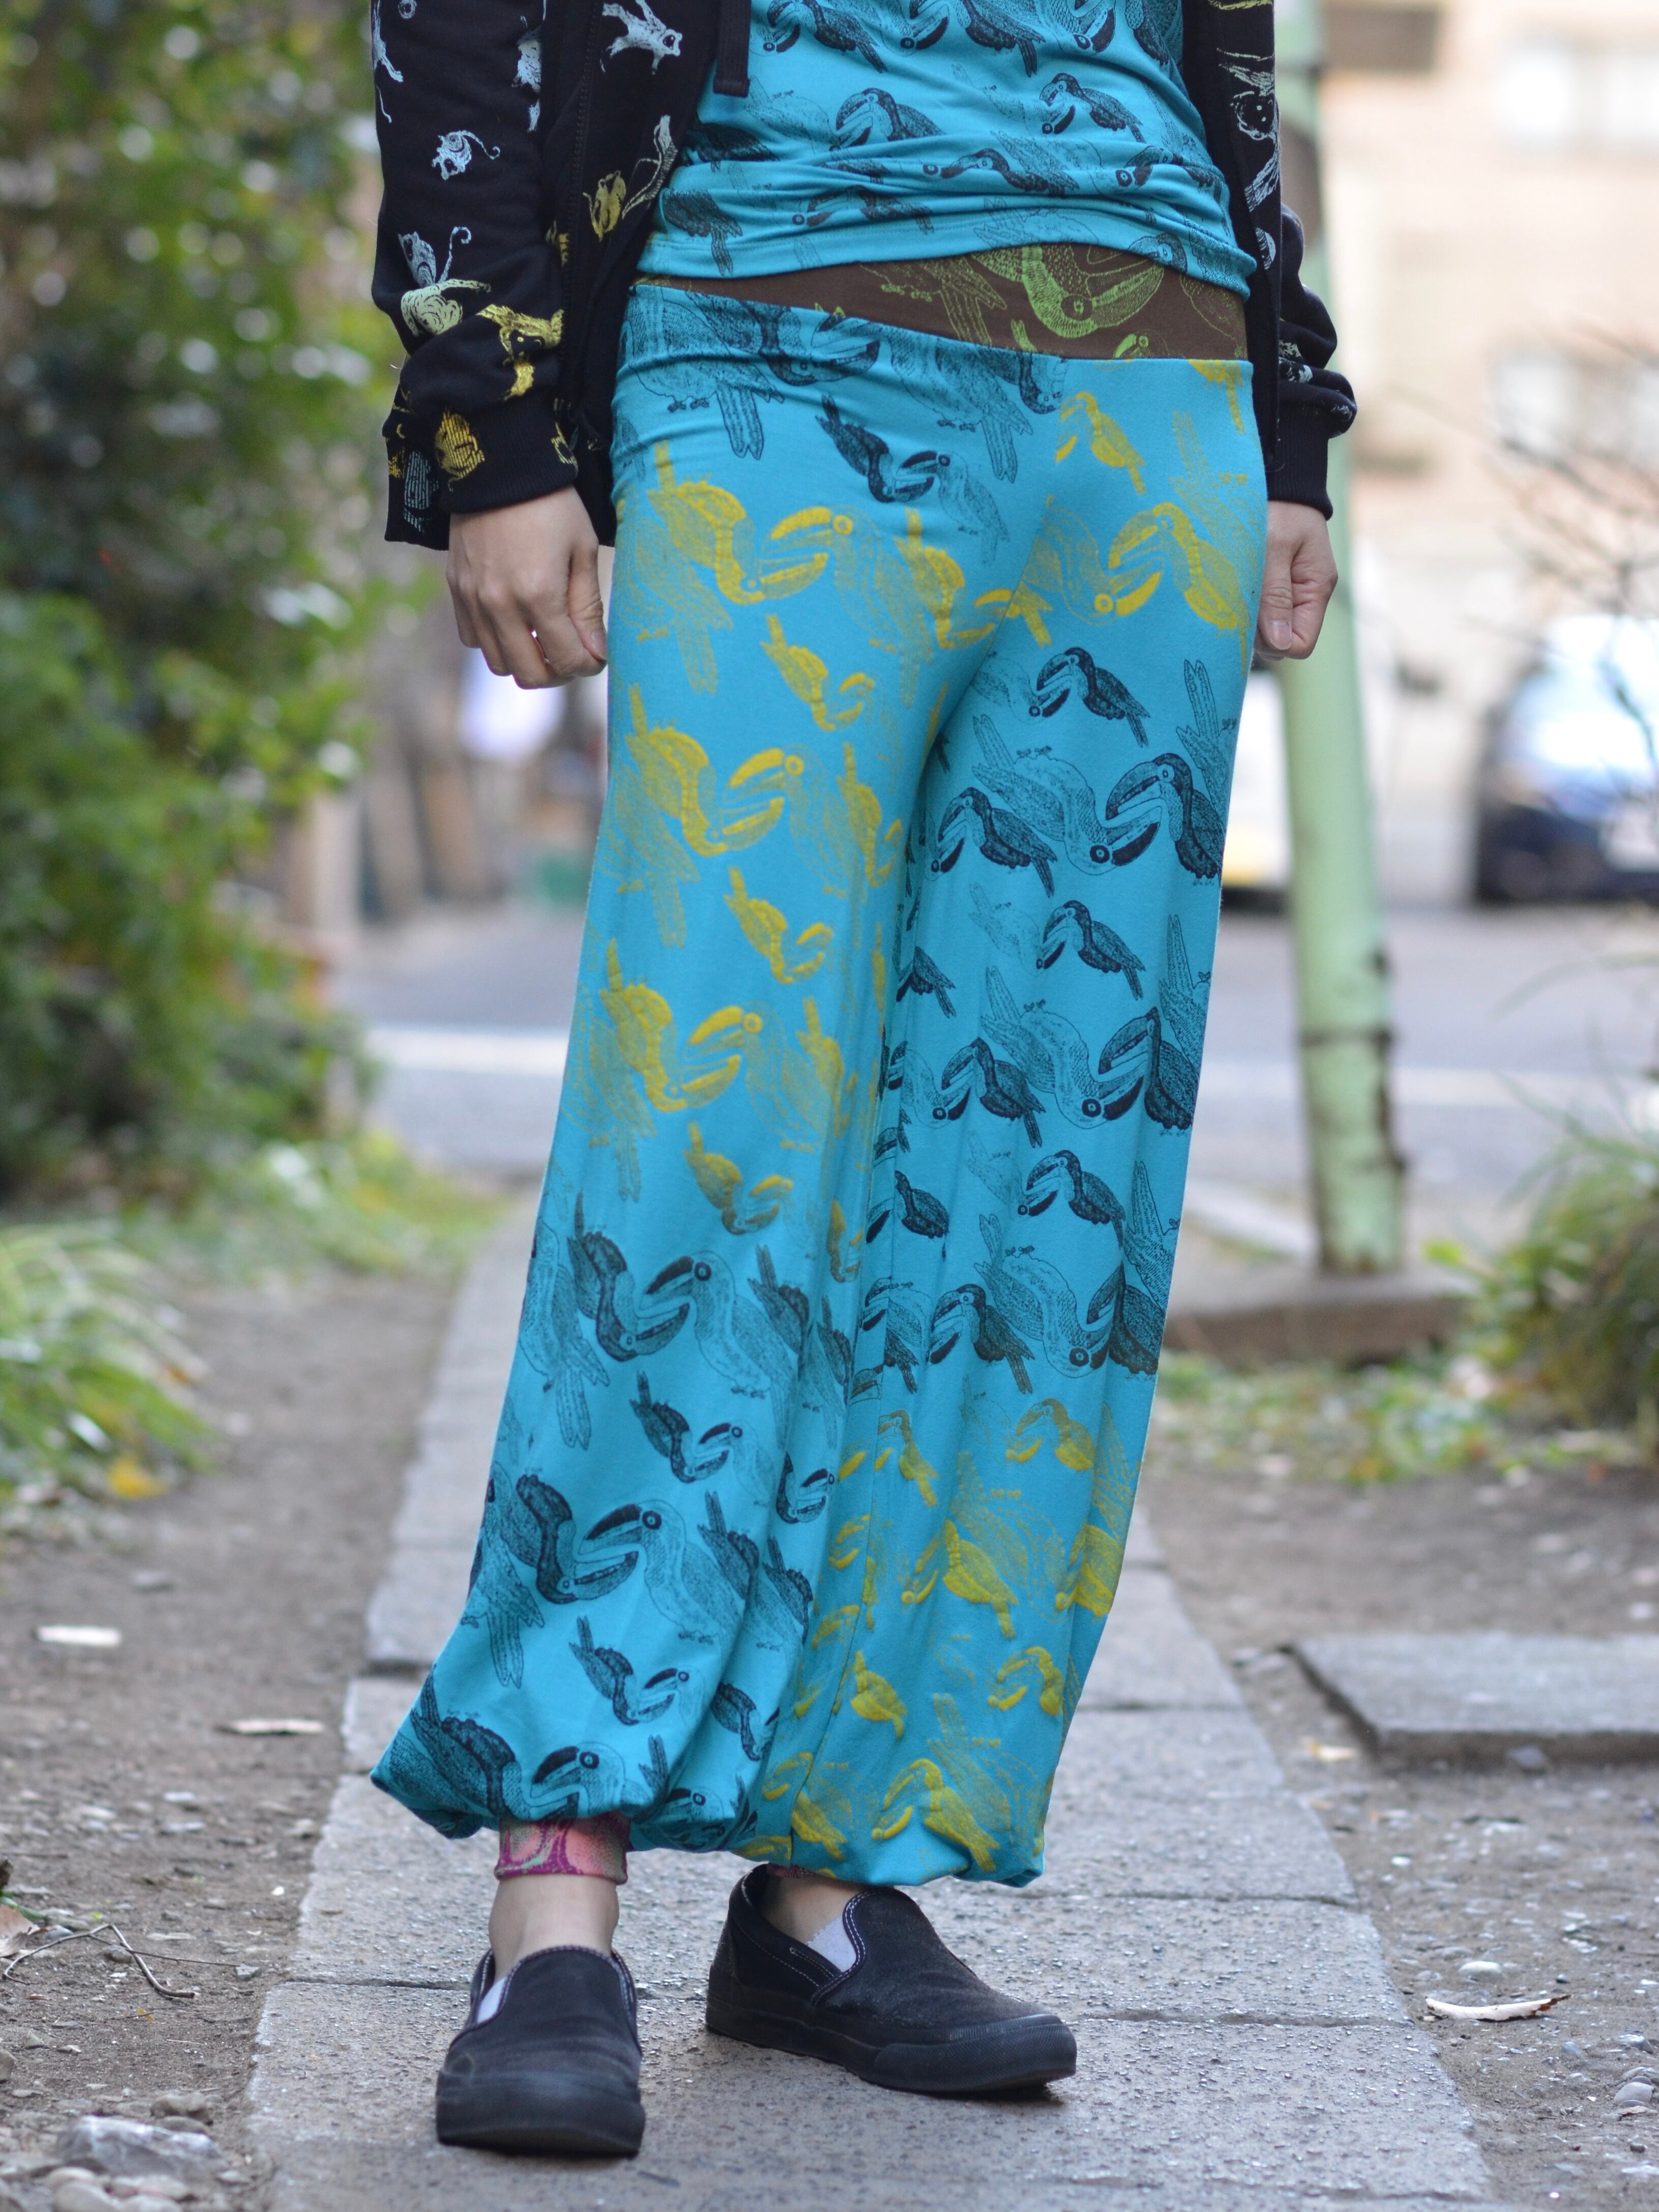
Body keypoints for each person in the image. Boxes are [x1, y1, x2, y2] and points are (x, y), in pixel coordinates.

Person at [368, 0, 1354, 2158]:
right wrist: (491, 418)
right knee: (704, 1123)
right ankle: (556, 1890)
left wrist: (1286, 411)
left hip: (1154, 381)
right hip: (764, 337)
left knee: (1034, 1153)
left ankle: (835, 1877)